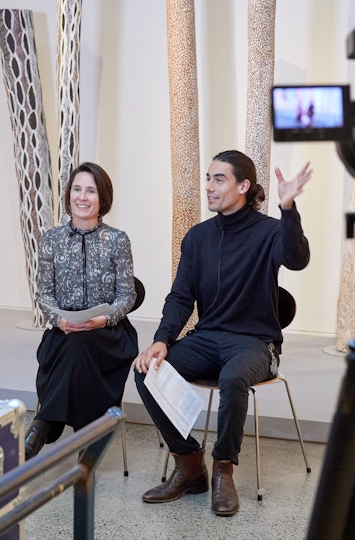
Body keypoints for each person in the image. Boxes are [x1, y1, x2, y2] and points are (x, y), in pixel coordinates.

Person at [132, 150, 311, 516]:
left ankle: (223, 470)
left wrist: (288, 208)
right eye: (208, 178)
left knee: (233, 378)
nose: (209, 187)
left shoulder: (269, 232)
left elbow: (296, 259)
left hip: (255, 343)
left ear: (243, 186)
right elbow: (181, 297)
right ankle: (189, 465)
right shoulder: (198, 238)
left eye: (219, 179)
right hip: (207, 337)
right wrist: (162, 340)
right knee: (147, 371)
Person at [24, 162, 139, 460]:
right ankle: (89, 440)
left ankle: (44, 423)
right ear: (68, 194)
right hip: (65, 331)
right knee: (75, 344)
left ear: (103, 198)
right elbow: (44, 294)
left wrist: (105, 318)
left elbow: (127, 296)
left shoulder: (118, 240)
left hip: (108, 334)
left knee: (80, 346)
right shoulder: (51, 239)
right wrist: (59, 320)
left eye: (91, 190)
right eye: (77, 189)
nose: (82, 197)